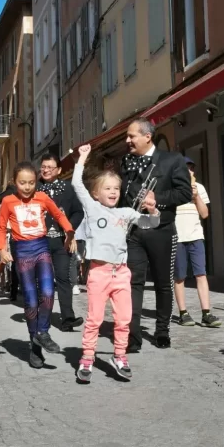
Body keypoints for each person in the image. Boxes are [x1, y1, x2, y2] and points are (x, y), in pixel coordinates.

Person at [72, 145, 160, 381]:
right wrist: (82, 158)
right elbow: (76, 185)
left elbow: (149, 224)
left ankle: (119, 355)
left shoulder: (126, 213)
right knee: (95, 319)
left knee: (124, 319)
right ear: (96, 194)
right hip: (99, 272)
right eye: (107, 188)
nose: (113, 192)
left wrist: (153, 211)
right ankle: (87, 357)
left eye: (116, 188)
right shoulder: (92, 208)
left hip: (121, 273)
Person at [119, 118, 192, 351]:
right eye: (127, 136)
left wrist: (157, 200)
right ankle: (133, 335)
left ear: (147, 137)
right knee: (133, 283)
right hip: (133, 232)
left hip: (161, 229)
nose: (127, 140)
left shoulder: (172, 160)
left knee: (162, 283)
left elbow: (184, 193)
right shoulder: (126, 162)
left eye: (132, 136)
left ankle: (162, 331)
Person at [0, 162, 76, 369]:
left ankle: (42, 332)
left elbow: (58, 214)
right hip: (22, 250)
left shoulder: (42, 197)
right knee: (30, 300)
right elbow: (1, 226)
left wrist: (69, 231)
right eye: (23, 183)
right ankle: (35, 346)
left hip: (41, 247)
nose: (28, 187)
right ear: (15, 182)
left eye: (31, 182)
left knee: (48, 292)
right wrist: (2, 249)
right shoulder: (7, 201)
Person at [38, 153, 85, 331]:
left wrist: (69, 230)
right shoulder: (34, 189)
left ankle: (68, 318)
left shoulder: (67, 188)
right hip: (40, 241)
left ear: (58, 170)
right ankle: (43, 317)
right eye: (43, 167)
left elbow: (78, 212)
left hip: (60, 241)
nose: (46, 170)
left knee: (63, 278)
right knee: (43, 279)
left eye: (50, 167)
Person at [174, 157, 221, 328]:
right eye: (186, 168)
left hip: (195, 236)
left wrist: (196, 197)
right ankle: (183, 313)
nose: (190, 171)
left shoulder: (199, 188)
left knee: (201, 274)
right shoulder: (172, 187)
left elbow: (205, 214)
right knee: (179, 276)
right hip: (177, 237)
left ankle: (206, 313)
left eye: (192, 168)